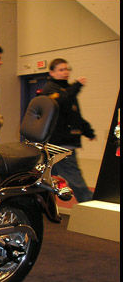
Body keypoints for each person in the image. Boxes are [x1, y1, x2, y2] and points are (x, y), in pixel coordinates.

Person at [41, 58, 96, 203]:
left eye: (67, 69)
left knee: (47, 180)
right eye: (61, 70)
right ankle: (89, 205)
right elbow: (62, 102)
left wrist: (88, 131)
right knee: (76, 181)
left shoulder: (68, 91)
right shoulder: (50, 90)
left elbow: (74, 116)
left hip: (66, 143)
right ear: (52, 73)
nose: (65, 72)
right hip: (59, 145)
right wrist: (76, 86)